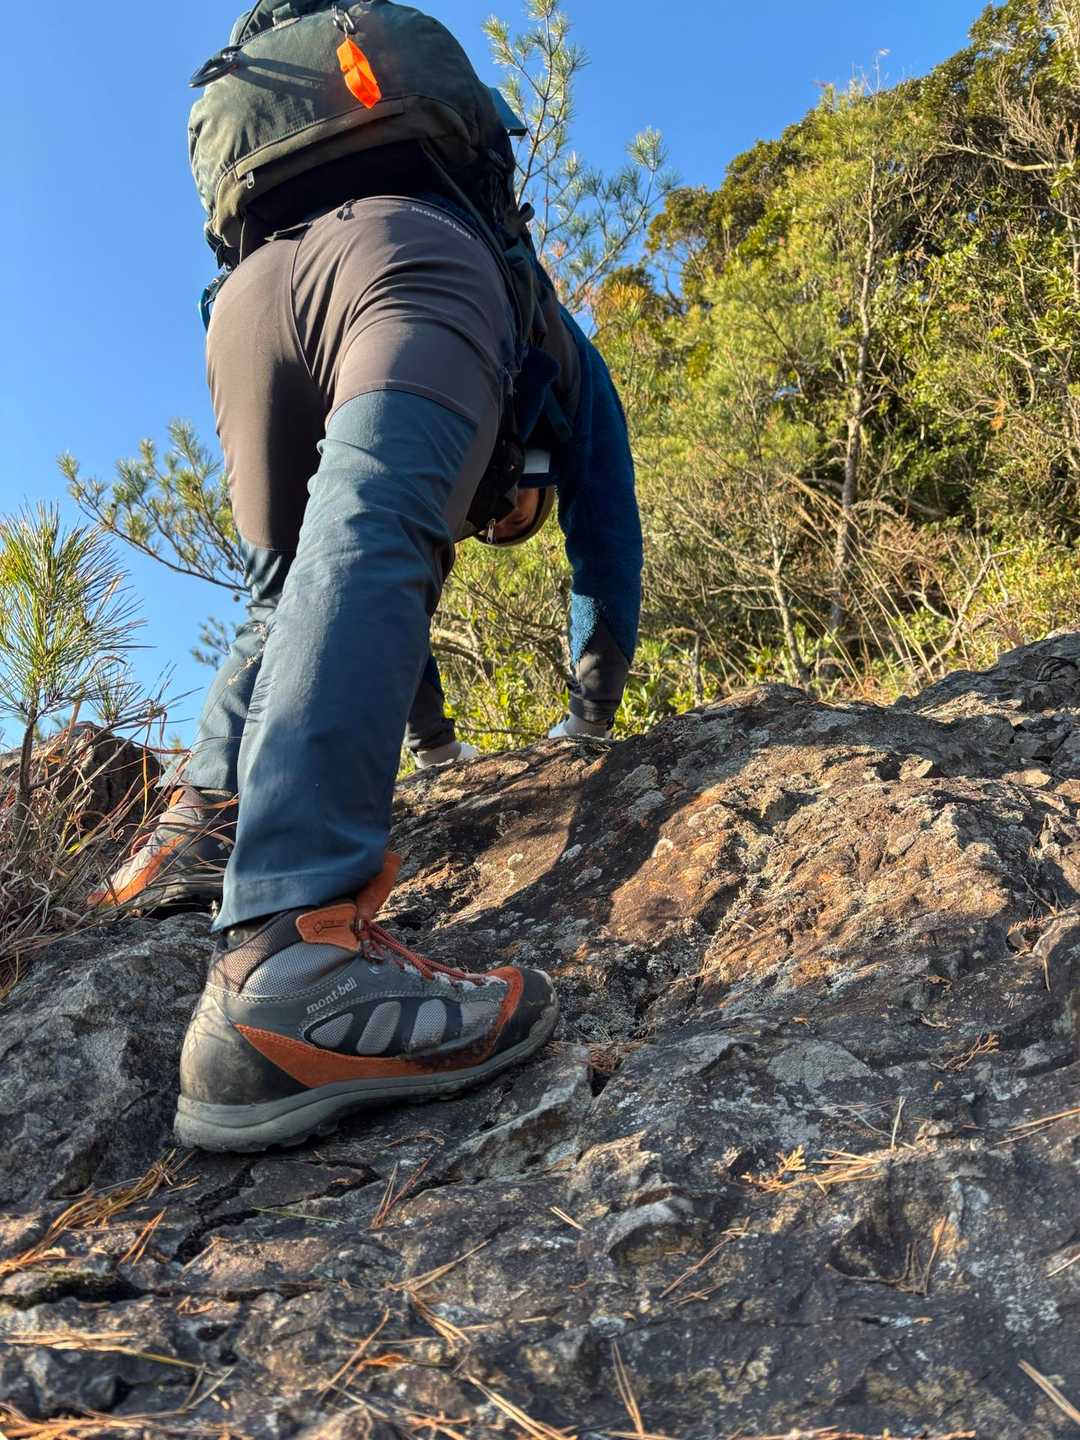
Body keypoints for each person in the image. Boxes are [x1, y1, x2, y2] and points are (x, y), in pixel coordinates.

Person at [93, 1, 641, 1154]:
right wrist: (593, 712)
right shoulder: (558, 354)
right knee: (377, 525)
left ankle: (197, 830)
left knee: (286, 584)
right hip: (406, 261)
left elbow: (345, 610)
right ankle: (290, 961)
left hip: (244, 312)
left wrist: (437, 749)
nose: (503, 523)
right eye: (513, 517)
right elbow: (607, 541)